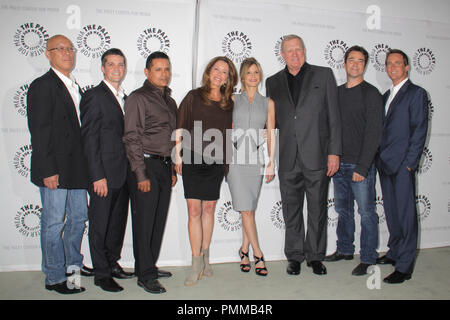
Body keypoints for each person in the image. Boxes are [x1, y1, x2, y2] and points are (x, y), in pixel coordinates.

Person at [266, 34, 341, 276]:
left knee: (318, 208)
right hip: (288, 157)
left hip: (318, 156)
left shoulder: (324, 75)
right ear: (282, 54)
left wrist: (334, 153)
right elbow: (270, 122)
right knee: (291, 210)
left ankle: (315, 256)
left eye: (298, 49)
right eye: (289, 50)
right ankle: (295, 256)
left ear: (304, 51)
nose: (295, 54)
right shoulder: (272, 82)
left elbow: (334, 118)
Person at [26, 34, 94, 294]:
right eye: (60, 49)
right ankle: (54, 277)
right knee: (54, 223)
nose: (67, 53)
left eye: (70, 49)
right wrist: (47, 170)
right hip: (55, 168)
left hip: (77, 168)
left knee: (79, 218)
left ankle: (73, 266)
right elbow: (40, 131)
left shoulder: (74, 85)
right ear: (48, 53)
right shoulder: (42, 85)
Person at [175, 56, 237, 286]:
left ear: (229, 78)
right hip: (191, 157)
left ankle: (206, 257)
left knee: (209, 208)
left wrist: (227, 164)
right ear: (209, 72)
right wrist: (177, 156)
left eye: (225, 71)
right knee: (194, 210)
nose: (220, 74)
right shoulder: (193, 96)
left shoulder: (229, 102)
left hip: (216, 160)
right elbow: (180, 125)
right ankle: (195, 263)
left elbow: (230, 134)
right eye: (216, 69)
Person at [324, 46, 383, 276]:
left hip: (360, 165)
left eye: (360, 60)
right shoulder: (336, 93)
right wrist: (332, 156)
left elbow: (374, 133)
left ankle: (368, 257)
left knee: (367, 212)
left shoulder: (371, 94)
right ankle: (345, 249)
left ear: (365, 65)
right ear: (345, 63)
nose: (355, 64)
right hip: (338, 163)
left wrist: (363, 166)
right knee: (343, 210)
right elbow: (330, 128)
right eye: (351, 60)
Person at [80, 48, 135, 293]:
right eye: (111, 64)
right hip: (103, 174)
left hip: (123, 173)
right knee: (100, 224)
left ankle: (112, 263)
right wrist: (97, 175)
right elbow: (89, 139)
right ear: (102, 68)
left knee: (117, 223)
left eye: (120, 64)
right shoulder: (94, 96)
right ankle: (101, 273)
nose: (116, 68)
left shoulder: (125, 97)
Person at [123, 51, 177, 294]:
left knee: (158, 220)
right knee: (144, 223)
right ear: (147, 72)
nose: (163, 73)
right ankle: (144, 274)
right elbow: (132, 137)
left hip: (165, 167)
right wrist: (140, 174)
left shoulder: (170, 101)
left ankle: (149, 267)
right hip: (145, 167)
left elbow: (173, 137)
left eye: (167, 69)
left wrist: (173, 166)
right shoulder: (138, 98)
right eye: (158, 69)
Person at [375, 49, 428, 284]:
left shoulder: (416, 93)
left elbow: (419, 130)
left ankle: (405, 267)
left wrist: (409, 164)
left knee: (406, 216)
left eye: (398, 63)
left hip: (402, 166)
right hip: (385, 165)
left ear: (407, 67)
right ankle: (395, 252)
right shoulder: (386, 95)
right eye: (389, 63)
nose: (393, 67)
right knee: (393, 214)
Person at [226, 58, 275, 276]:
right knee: (246, 209)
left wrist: (271, 160)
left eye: (256, 72)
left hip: (256, 160)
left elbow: (271, 133)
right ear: (242, 76)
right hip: (236, 160)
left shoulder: (268, 103)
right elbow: (223, 126)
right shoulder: (233, 99)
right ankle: (258, 254)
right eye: (248, 72)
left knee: (249, 210)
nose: (253, 76)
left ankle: (243, 250)